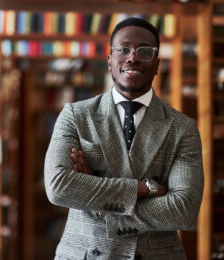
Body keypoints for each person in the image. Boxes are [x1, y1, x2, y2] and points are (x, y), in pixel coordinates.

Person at [44, 17, 204, 260]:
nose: (132, 57)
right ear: (110, 60)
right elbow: (59, 187)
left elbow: (184, 209)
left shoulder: (183, 128)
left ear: (157, 64)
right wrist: (145, 189)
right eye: (123, 49)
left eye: (144, 51)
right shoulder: (75, 115)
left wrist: (100, 203)